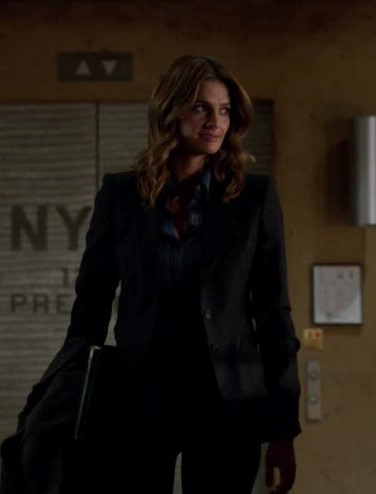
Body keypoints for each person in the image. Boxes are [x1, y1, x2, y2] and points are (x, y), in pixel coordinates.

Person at [62, 55, 301, 493]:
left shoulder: (254, 197)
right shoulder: (121, 193)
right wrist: (71, 399)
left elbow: (273, 311)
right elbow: (91, 301)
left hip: (228, 400)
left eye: (224, 110)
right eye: (201, 107)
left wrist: (283, 427)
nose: (216, 122)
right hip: (141, 397)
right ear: (171, 111)